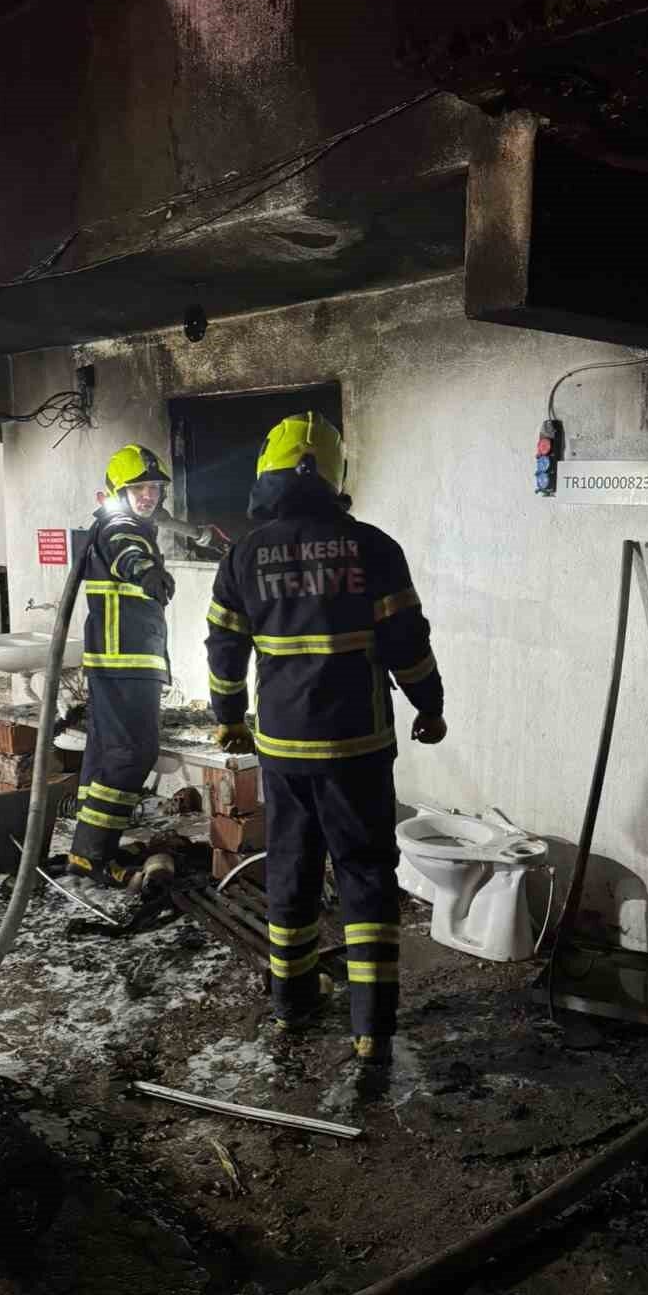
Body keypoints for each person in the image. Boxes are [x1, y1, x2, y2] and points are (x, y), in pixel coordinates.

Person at [205, 411, 446, 1066]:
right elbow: (407, 643)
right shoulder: (374, 548)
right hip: (358, 747)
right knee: (365, 873)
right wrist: (429, 705)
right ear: (333, 474)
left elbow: (223, 648)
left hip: (284, 749)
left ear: (268, 474)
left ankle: (292, 1003)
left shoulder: (243, 555)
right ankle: (372, 1028)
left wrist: (229, 717)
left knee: (292, 867)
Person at [67, 444, 175, 888]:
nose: (148, 495)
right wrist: (147, 571)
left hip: (116, 663)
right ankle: (94, 854)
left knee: (106, 753)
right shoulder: (120, 527)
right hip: (124, 662)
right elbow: (127, 551)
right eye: (138, 488)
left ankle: (88, 850)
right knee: (132, 754)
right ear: (118, 492)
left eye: (154, 488)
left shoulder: (120, 525)